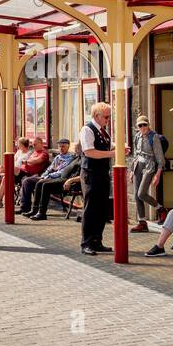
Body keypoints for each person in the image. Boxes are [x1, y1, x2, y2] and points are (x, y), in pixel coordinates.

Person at [78, 103, 115, 255]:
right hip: (91, 174)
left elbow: (108, 146)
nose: (108, 120)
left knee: (101, 208)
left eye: (109, 117)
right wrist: (112, 154)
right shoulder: (87, 129)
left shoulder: (103, 132)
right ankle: (86, 242)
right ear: (96, 116)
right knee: (90, 208)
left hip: (102, 173)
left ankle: (97, 240)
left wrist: (118, 147)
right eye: (106, 117)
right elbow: (90, 152)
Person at [130, 115, 166, 233]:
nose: (142, 127)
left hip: (149, 166)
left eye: (144, 125)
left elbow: (160, 157)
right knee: (136, 195)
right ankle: (142, 222)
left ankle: (160, 209)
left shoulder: (154, 137)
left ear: (148, 125)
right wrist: (131, 170)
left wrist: (158, 174)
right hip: (137, 166)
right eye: (140, 125)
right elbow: (135, 154)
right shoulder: (137, 136)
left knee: (141, 193)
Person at [23, 139, 76, 217]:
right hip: (48, 177)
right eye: (59, 147)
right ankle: (27, 208)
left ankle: (37, 210)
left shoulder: (70, 158)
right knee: (27, 181)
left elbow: (61, 172)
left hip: (57, 178)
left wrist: (47, 177)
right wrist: (44, 176)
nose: (61, 148)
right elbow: (50, 168)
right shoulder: (57, 157)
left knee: (39, 183)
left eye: (63, 146)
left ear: (68, 147)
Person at [0, 137, 34, 208]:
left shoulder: (29, 154)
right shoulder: (19, 152)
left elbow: (25, 165)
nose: (17, 145)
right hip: (13, 171)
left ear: (22, 145)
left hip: (21, 173)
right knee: (2, 169)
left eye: (19, 144)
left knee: (6, 175)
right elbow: (13, 160)